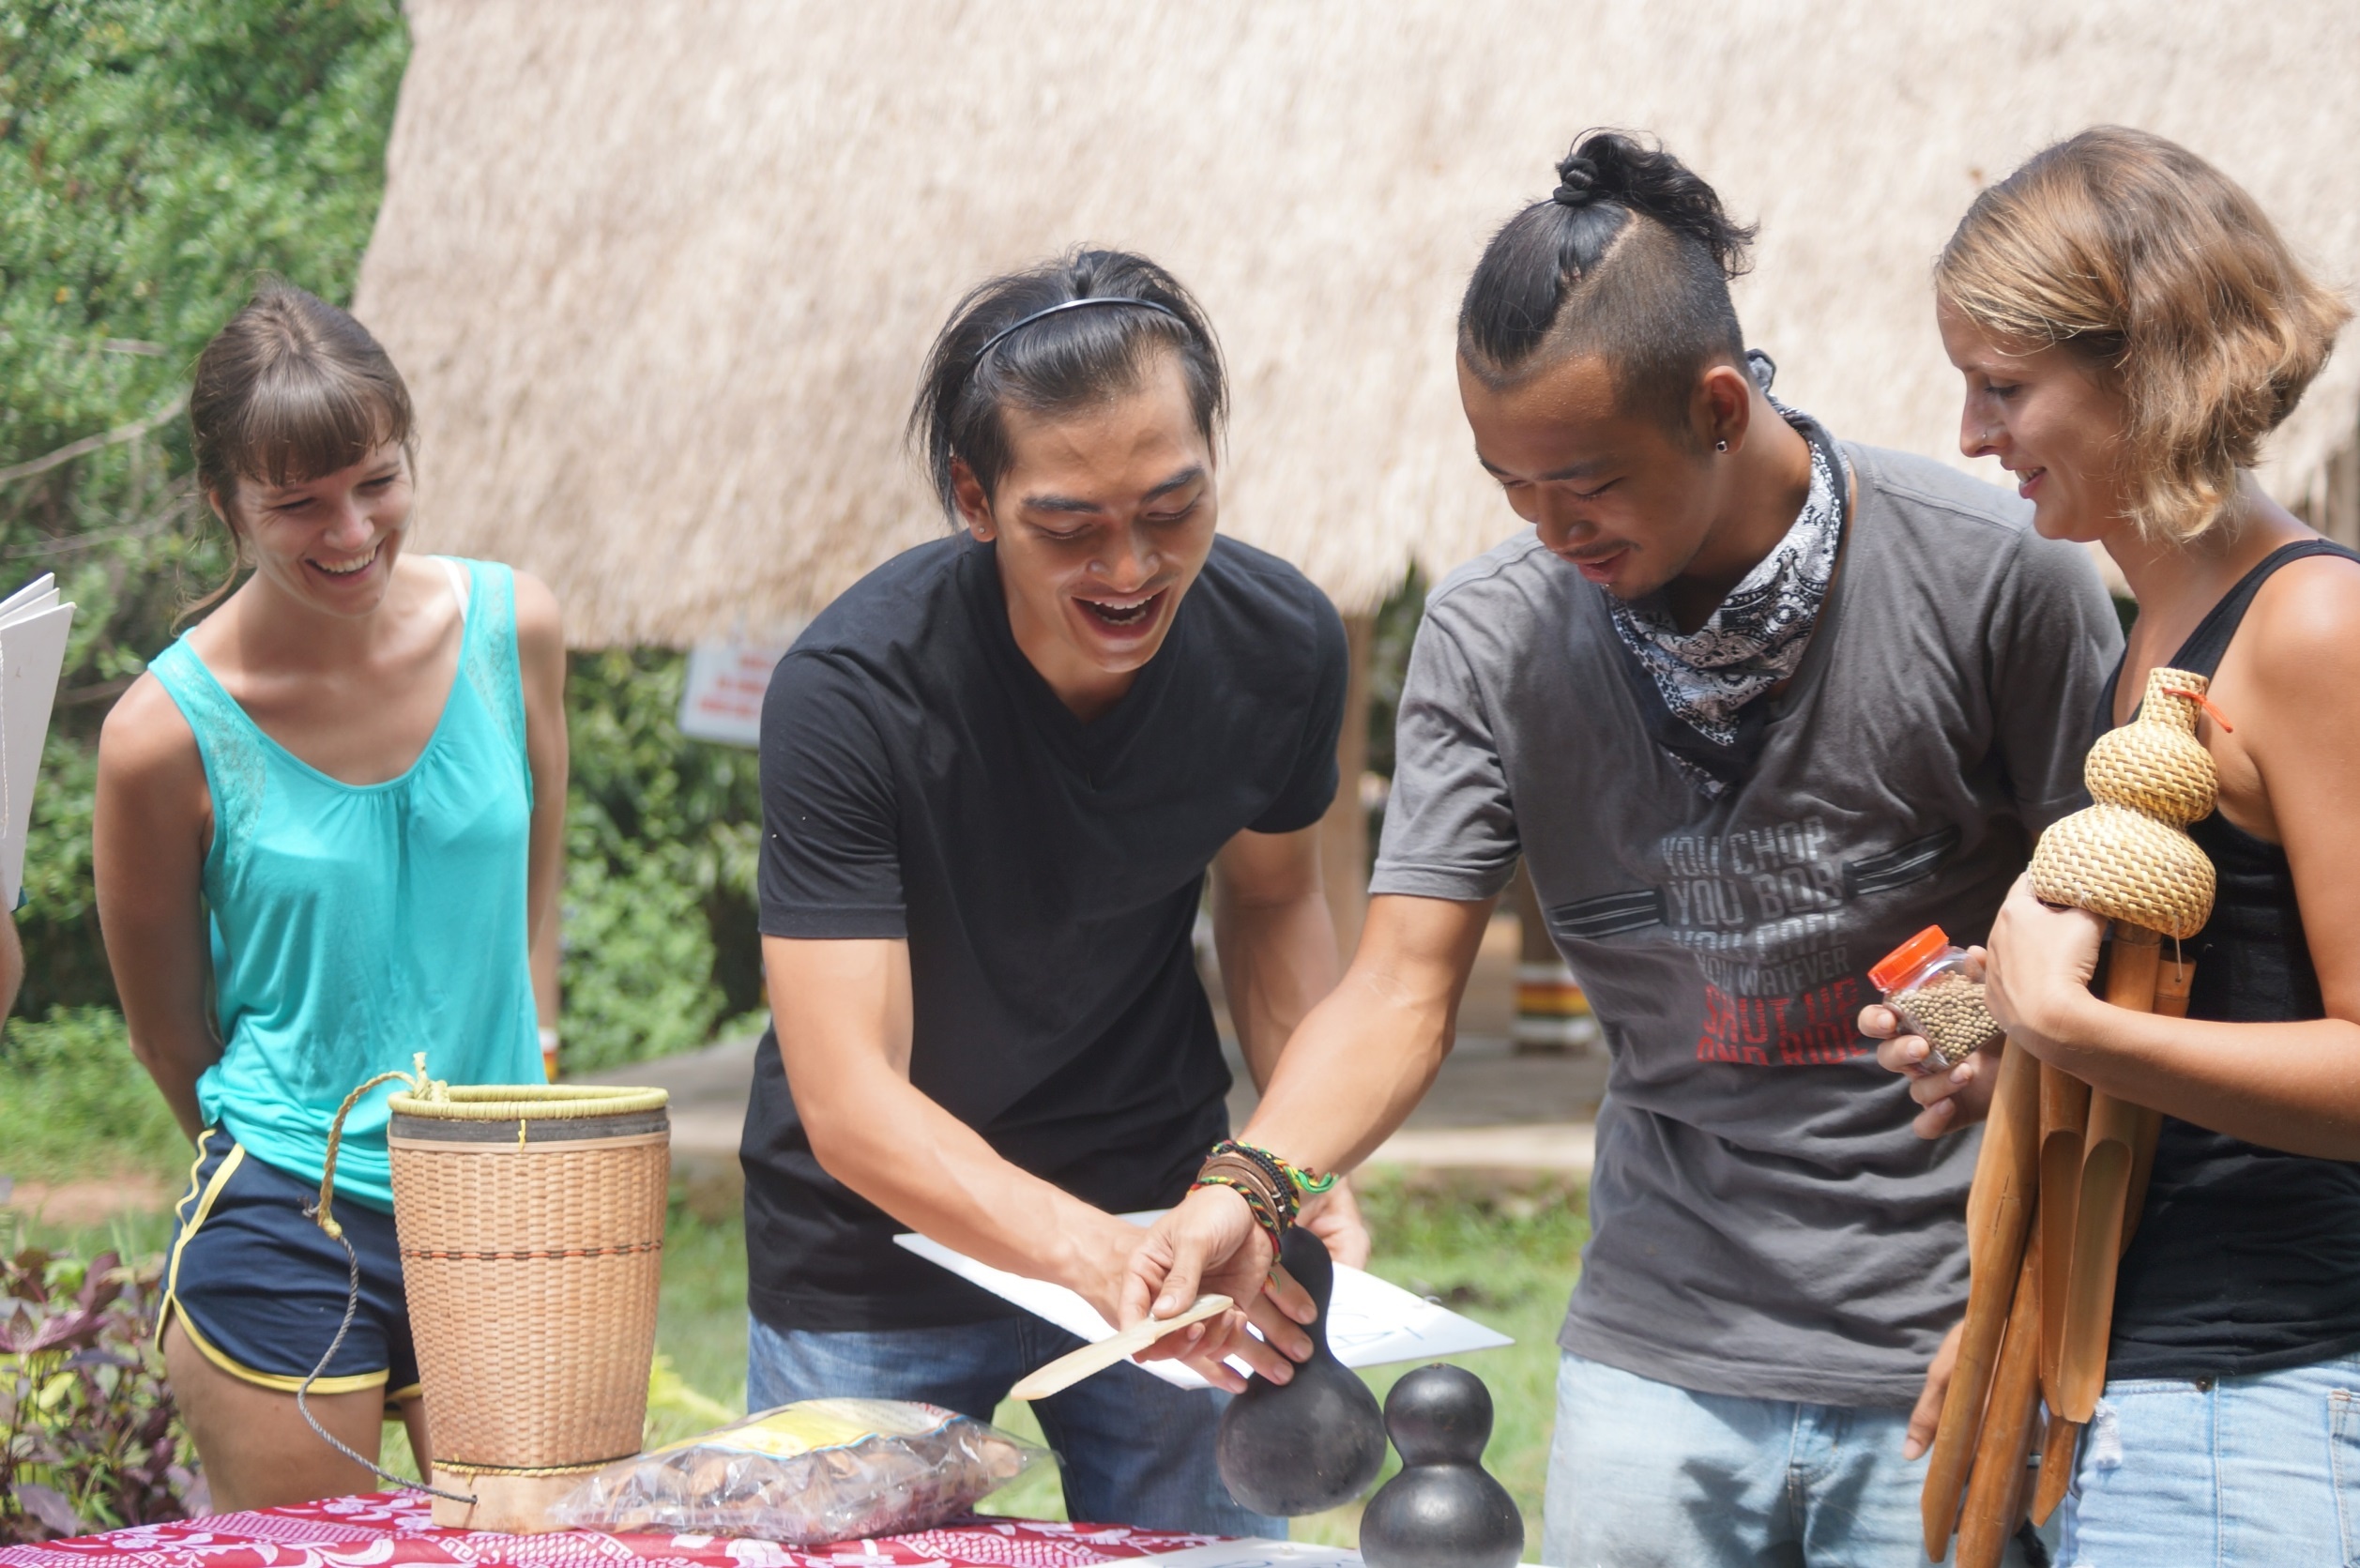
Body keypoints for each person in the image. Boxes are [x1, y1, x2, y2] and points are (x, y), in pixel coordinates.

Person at [1121, 131, 2120, 1566]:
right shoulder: (1493, 635)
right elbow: (1403, 990)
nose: (1545, 528)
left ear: (1719, 407)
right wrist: (1247, 1183)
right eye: (1508, 484)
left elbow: (2115, 935)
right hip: (1658, 1349)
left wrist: (1986, 1022)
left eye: (1582, 483)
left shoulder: (1994, 578)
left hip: (1952, 1336)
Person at [738, 248, 1356, 1536]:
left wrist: (1297, 1147)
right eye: (1070, 525)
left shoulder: (1280, 643)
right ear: (976, 497)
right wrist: (1101, 1260)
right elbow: (850, 1100)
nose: (1131, 567)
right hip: (874, 1246)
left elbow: (1275, 899)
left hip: (1160, 1184)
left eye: (1173, 507)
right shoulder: (854, 696)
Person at [1885, 127, 2359, 1566]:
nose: (1971, 436)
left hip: (2262, 1398)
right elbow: (2218, 995)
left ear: (2149, 374)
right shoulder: (2148, 633)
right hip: (2147, 1390)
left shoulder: (2312, 628)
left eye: (2006, 389)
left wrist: (2065, 1025)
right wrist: (2000, 1033)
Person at [94, 284, 568, 1510]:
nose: (349, 530)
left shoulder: (517, 627)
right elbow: (166, 1032)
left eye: (375, 481)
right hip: (289, 1224)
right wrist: (299, 1160)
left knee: (545, 1546)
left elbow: (533, 891)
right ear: (224, 505)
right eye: (297, 503)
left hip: (508, 1194)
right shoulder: (163, 735)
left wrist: (538, 1060)